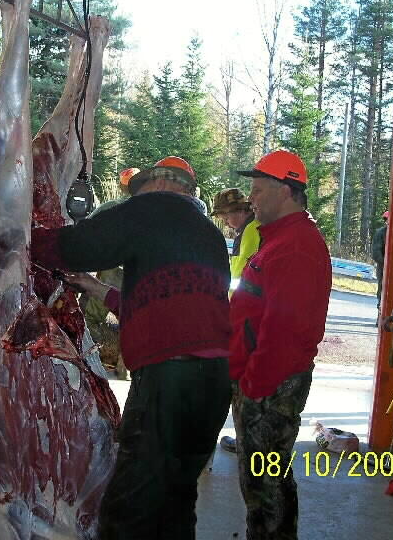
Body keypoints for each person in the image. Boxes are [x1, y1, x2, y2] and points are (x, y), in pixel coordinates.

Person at [32, 155, 232, 540]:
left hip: (168, 380)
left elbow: (79, 246)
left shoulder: (154, 208)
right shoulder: (209, 234)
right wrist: (96, 289)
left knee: (129, 506)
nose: (137, 197)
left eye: (141, 189)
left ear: (161, 184)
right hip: (214, 383)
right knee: (177, 497)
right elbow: (170, 303)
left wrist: (22, 240)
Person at [230, 150, 332, 539]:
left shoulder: (297, 246)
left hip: (270, 387)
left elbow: (285, 332)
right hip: (262, 383)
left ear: (285, 191)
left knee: (265, 488)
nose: (250, 198)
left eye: (258, 190)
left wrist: (254, 385)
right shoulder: (278, 239)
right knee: (265, 483)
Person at [211, 188, 261, 454]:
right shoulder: (248, 229)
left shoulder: (251, 231)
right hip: (245, 311)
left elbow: (242, 272)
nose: (225, 222)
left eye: (225, 216)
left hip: (244, 313)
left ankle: (247, 440)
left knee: (240, 378)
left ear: (238, 211)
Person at [82, 167, 139, 380]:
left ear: (121, 186)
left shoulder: (111, 206)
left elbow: (87, 228)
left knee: (91, 316)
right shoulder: (149, 210)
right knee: (130, 318)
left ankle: (88, 361)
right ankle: (125, 368)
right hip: (137, 272)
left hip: (112, 270)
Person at [371, 211, 389, 310]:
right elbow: (376, 252)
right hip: (383, 267)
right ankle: (380, 307)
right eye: (386, 219)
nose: (387, 221)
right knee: (382, 287)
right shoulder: (380, 233)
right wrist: (385, 263)